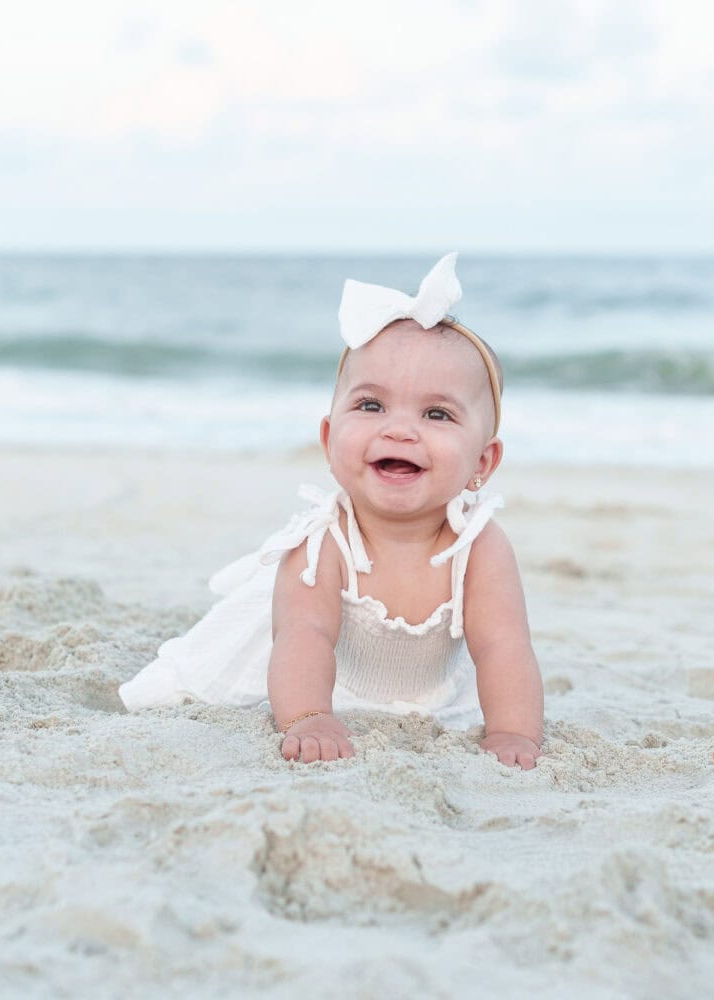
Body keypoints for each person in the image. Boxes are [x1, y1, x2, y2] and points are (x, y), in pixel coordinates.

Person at [119, 254, 544, 769]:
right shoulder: (324, 542)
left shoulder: (479, 545)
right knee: (210, 675)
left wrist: (511, 731)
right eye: (371, 406)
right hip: (319, 682)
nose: (399, 430)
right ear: (328, 438)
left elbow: (504, 647)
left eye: (437, 414)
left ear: (483, 461)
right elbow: (304, 635)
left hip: (435, 701)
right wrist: (308, 717)